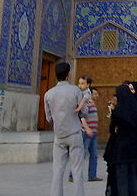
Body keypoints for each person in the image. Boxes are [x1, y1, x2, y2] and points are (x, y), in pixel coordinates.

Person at [44, 62, 91, 196]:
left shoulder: (48, 94)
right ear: (68, 75)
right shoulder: (76, 90)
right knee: (77, 170)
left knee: (57, 171)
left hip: (59, 136)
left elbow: (48, 118)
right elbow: (84, 111)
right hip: (75, 134)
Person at [104, 83, 137, 196]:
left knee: (122, 179)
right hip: (135, 148)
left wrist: (112, 112)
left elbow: (112, 129)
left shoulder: (118, 111)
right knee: (133, 177)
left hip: (121, 150)